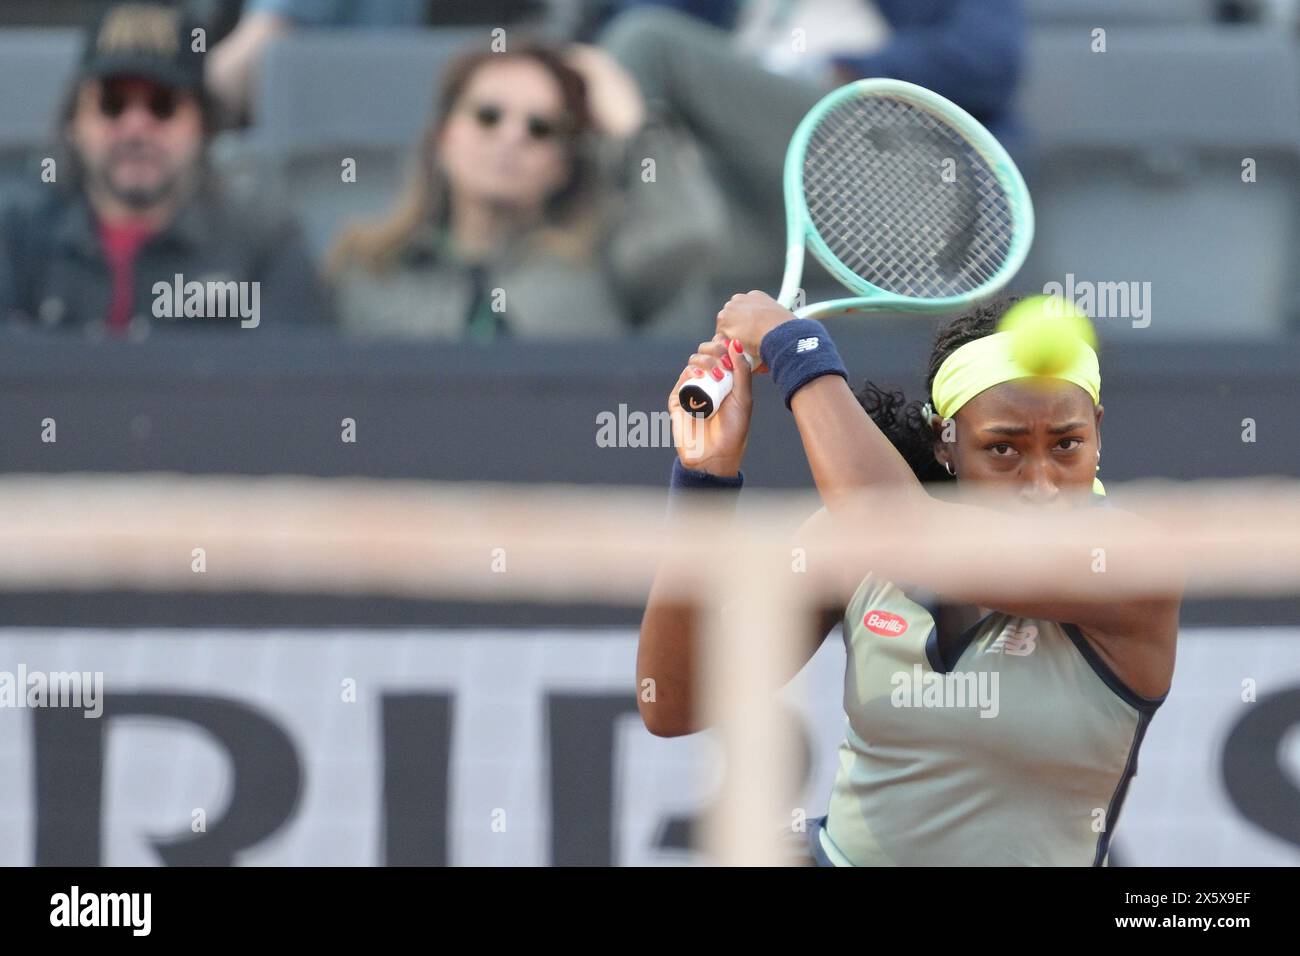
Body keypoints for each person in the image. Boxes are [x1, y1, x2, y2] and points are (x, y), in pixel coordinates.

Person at [639, 292, 1185, 866]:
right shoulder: (849, 540)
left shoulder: (1129, 565)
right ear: (944, 442)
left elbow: (896, 526)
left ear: (1097, 432)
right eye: (1003, 449)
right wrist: (704, 482)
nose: (1042, 484)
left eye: (1067, 445)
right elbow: (674, 702)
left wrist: (794, 345)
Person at [600, 0, 1026, 296]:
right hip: (759, 187)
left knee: (643, 42)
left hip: (903, 180)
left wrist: (847, 70)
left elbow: (990, 59)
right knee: (653, 261)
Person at [326, 41, 712, 340]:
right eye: (488, 116)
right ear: (443, 139)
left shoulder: (600, 267)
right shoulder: (370, 267)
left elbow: (688, 234)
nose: (511, 137)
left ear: (562, 167)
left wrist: (634, 128)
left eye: (541, 128)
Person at [0, 2, 331, 337]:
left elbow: (298, 381)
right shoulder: (15, 240)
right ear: (73, 122)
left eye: (163, 106)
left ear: (204, 125)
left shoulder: (264, 246)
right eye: (112, 105)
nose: (136, 127)